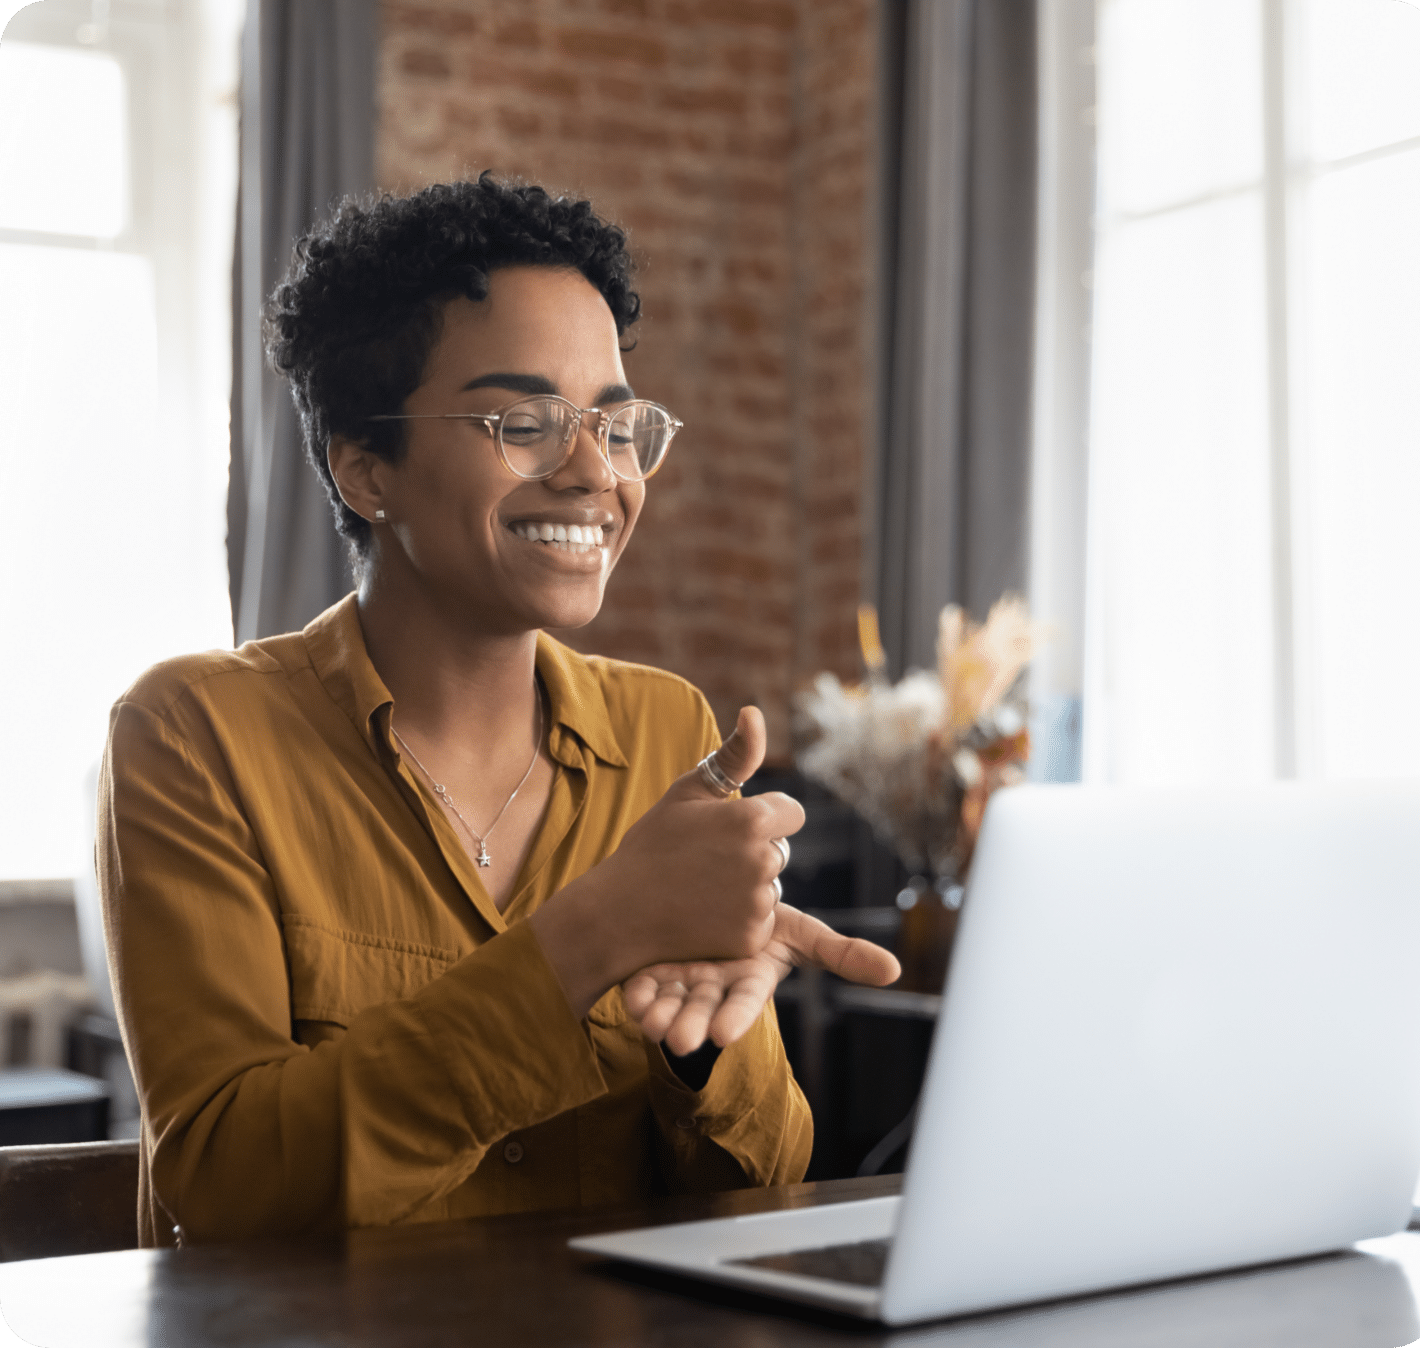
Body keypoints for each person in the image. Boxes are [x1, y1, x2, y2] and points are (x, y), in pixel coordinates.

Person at [98, 174, 901, 1247]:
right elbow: (228, 1184)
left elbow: (766, 1180)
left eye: (617, 428)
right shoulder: (194, 735)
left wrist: (707, 1048)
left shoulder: (671, 735)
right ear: (366, 467)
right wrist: (587, 938)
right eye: (525, 421)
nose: (592, 474)